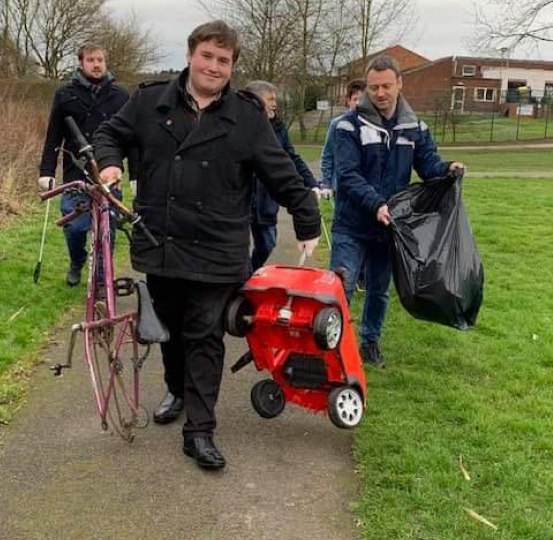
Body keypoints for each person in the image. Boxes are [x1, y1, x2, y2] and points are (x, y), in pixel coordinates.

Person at [93, 21, 321, 470]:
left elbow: (282, 173)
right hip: (161, 241)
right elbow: (109, 135)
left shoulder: (247, 118)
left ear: (232, 66)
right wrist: (109, 165)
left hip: (217, 249)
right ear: (191, 55)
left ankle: (200, 430)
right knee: (172, 330)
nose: (214, 67)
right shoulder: (149, 102)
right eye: (208, 56)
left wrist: (307, 219)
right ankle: (176, 389)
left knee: (205, 335)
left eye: (224, 60)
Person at [330, 55, 465, 368]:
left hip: (389, 227)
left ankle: (370, 343)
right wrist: (376, 203)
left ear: (399, 84)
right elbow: (348, 176)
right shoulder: (347, 126)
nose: (380, 93)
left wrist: (447, 169)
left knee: (378, 291)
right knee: (341, 287)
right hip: (351, 224)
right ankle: (332, 343)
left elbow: (428, 165)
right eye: (374, 87)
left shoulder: (415, 127)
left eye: (386, 86)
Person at [37, 43, 130, 286]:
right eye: (91, 60)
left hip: (109, 174)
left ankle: (102, 280)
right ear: (81, 63)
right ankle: (77, 261)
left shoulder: (121, 97)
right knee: (76, 228)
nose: (97, 64)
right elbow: (54, 136)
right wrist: (46, 171)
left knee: (107, 230)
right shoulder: (65, 95)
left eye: (100, 60)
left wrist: (137, 175)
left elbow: (134, 138)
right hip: (75, 172)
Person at [244, 80, 319, 270]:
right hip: (241, 200)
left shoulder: (278, 128)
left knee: (267, 244)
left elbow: (292, 158)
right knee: (237, 249)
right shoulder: (238, 124)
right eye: (270, 99)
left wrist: (312, 183)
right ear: (256, 98)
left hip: (266, 200)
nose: (274, 104)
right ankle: (240, 281)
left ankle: (251, 273)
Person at [319, 79, 365, 196]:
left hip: (364, 186)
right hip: (340, 187)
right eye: (355, 99)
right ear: (349, 101)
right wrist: (326, 183)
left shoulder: (371, 125)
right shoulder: (337, 124)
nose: (358, 103)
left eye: (363, 100)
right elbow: (328, 154)